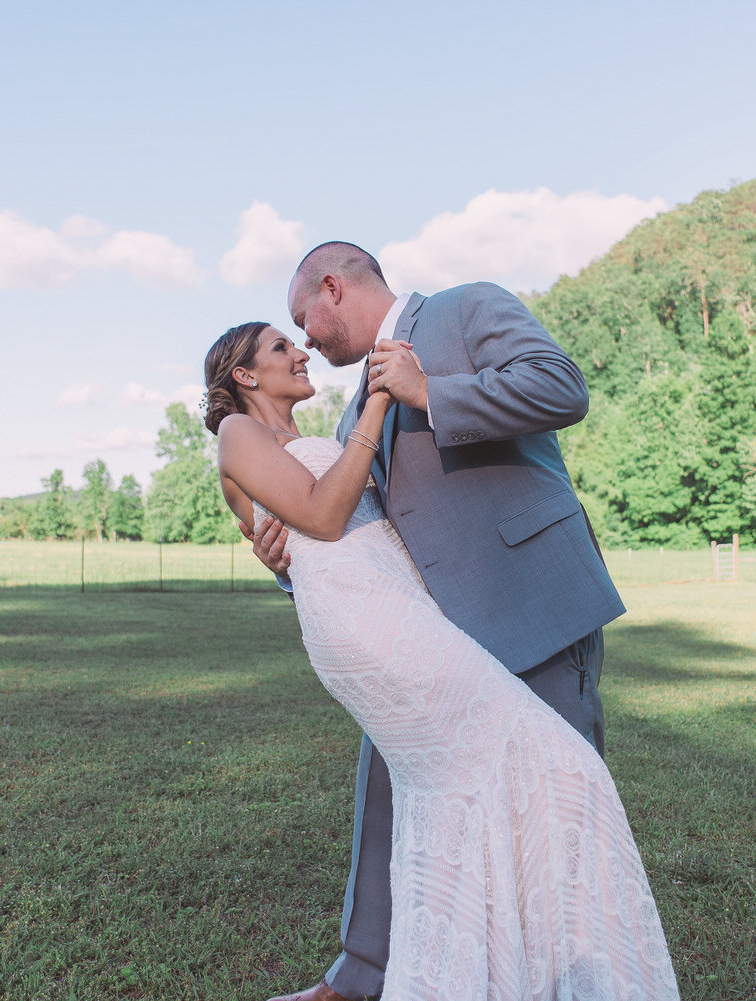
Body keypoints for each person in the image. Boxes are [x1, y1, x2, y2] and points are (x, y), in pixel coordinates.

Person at [203, 317, 681, 1001]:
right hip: (368, 628)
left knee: (456, 790)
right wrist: (378, 398)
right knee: (562, 766)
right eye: (283, 345)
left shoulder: (318, 439)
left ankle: (465, 975)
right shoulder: (237, 434)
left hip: (410, 611)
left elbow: (341, 526)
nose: (301, 349)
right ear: (245, 375)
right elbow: (323, 520)